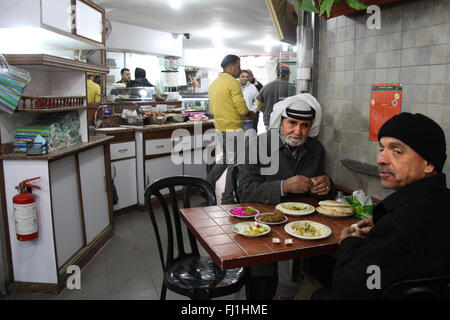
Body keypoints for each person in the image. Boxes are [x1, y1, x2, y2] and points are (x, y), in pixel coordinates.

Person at [312, 112, 449, 300]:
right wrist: (382, 221)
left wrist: (349, 243)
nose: (381, 160)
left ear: (429, 164)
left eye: (396, 151)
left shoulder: (397, 226)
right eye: (382, 149)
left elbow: (351, 288)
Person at [236, 93, 336, 299]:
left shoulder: (316, 150)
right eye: (292, 123)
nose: (297, 131)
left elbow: (321, 193)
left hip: (303, 223)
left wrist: (327, 186)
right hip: (264, 221)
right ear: (280, 121)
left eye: (305, 125)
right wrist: (284, 186)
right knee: (262, 270)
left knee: (329, 259)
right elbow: (244, 190)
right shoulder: (257, 145)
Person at [207, 54, 256, 204]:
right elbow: (242, 109)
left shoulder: (214, 83)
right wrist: (250, 114)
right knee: (234, 162)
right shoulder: (233, 83)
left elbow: (212, 109)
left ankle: (206, 185)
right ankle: (228, 196)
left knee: (227, 159)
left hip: (220, 127)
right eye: (238, 66)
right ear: (231, 66)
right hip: (233, 128)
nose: (239, 69)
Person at [257, 65, 296, 131]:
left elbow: (259, 106)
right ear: (287, 75)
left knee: (271, 140)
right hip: (284, 120)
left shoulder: (266, 87)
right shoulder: (291, 87)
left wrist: (267, 111)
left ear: (277, 73)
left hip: (269, 119)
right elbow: (294, 104)